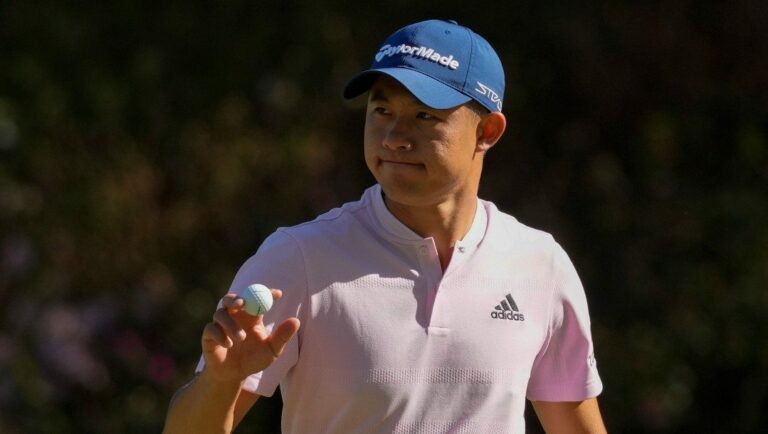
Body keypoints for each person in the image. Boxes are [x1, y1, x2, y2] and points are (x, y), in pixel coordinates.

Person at [163, 19, 607, 434]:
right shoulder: (297, 258)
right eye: (381, 110)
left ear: (487, 131)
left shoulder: (540, 265)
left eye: (425, 116)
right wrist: (220, 383)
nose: (394, 136)